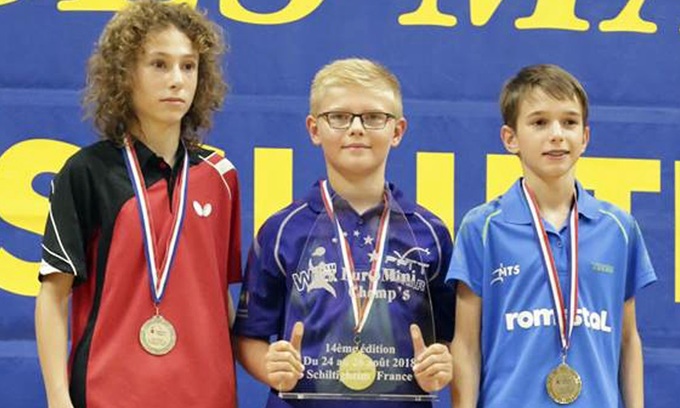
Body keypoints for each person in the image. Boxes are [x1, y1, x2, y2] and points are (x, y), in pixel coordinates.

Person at [34, 1, 241, 407]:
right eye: (159, 64)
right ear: (125, 74)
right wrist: (58, 399)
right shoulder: (87, 172)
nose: (177, 80)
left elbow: (219, 295)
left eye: (188, 66)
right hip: (108, 395)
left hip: (207, 397)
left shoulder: (221, 176)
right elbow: (53, 296)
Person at [233, 58, 454, 407]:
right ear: (314, 129)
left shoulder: (430, 234)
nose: (356, 129)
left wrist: (440, 367)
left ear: (397, 131)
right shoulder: (281, 230)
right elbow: (248, 337)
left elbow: (452, 340)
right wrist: (270, 368)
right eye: (338, 117)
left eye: (374, 117)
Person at [447, 64, 657, 407]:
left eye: (569, 122)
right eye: (540, 122)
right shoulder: (482, 228)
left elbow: (628, 340)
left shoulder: (619, 228)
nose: (557, 134)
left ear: (585, 137)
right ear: (510, 139)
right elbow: (466, 345)